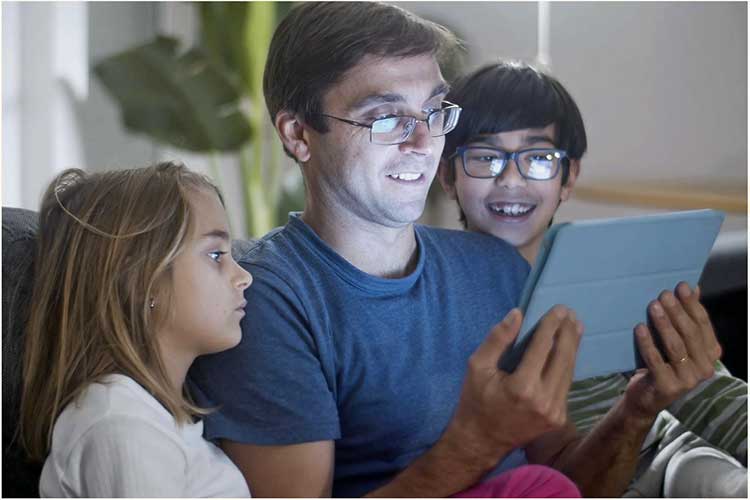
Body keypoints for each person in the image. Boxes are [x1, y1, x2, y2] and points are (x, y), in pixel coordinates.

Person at [188, 2, 723, 497]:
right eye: (387, 118)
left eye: (434, 112)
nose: (424, 144)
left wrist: (636, 410)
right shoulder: (260, 298)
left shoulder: (494, 269)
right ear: (299, 134)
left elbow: (567, 480)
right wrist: (478, 441)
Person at [437, 60, 747, 497]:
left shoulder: (612, 277)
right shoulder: (437, 299)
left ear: (569, 178)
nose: (511, 179)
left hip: (681, 459)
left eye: (538, 158)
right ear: (447, 175)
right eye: (485, 158)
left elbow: (715, 399)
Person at [20, 163, 253, 497]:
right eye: (216, 255)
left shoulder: (146, 419)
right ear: (142, 281)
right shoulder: (121, 424)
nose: (244, 277)